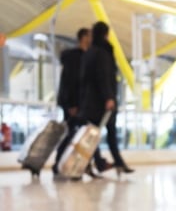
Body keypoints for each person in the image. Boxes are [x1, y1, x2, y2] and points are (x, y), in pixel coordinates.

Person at [53, 28, 112, 179]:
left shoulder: (87, 55)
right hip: (72, 103)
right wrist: (71, 104)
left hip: (82, 102)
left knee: (84, 133)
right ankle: (61, 164)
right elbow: (70, 82)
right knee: (73, 133)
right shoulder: (74, 57)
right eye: (90, 36)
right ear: (83, 37)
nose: (92, 39)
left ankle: (91, 165)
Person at [79, 21, 134, 175]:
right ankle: (111, 162)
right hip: (102, 103)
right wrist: (109, 97)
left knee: (96, 135)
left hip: (90, 103)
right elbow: (104, 76)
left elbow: (84, 80)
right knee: (107, 134)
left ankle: (105, 162)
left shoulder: (89, 52)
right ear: (105, 35)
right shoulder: (102, 52)